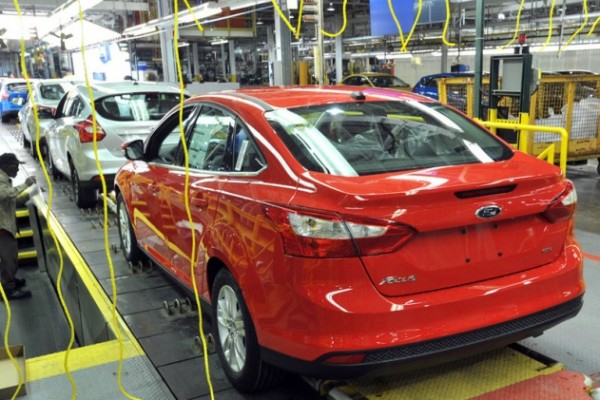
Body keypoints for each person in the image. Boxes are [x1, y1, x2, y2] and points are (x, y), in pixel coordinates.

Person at [0, 153, 36, 301]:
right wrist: (26, 185)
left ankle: (10, 280)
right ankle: (7, 290)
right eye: (16, 166)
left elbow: (11, 201)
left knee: (11, 257)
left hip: (6, 225)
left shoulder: (5, 179)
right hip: (2, 228)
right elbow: (5, 194)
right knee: (9, 258)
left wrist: (30, 195)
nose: (18, 169)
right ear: (6, 166)